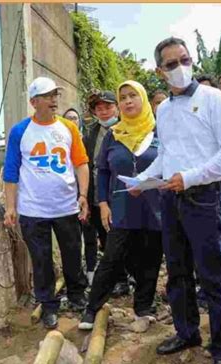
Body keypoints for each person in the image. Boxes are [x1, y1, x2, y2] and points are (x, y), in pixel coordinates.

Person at [132, 37, 221, 364]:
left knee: (213, 276)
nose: (181, 68)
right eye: (171, 64)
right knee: (177, 272)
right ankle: (187, 333)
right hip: (170, 200)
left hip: (203, 197)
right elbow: (167, 157)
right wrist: (142, 180)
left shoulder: (214, 99)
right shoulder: (164, 110)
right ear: (159, 71)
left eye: (184, 60)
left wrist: (189, 177)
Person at [3, 77, 90, 329]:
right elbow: (11, 171)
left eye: (55, 95)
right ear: (33, 102)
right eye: (47, 95)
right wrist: (10, 207)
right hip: (33, 210)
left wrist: (83, 195)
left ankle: (76, 295)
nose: (54, 100)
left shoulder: (68, 128)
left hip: (66, 206)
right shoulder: (20, 131)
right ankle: (49, 305)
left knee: (73, 254)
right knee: (40, 260)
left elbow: (81, 163)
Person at [79, 80, 163, 330]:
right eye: (123, 97)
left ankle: (143, 308)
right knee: (112, 258)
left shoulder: (160, 131)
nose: (128, 101)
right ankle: (92, 309)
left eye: (132, 96)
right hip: (122, 207)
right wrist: (103, 204)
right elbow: (103, 171)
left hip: (155, 206)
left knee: (150, 258)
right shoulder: (114, 135)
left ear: (143, 99)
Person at [82, 90, 131, 294]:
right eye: (99, 109)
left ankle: (129, 276)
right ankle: (119, 279)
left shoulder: (128, 128)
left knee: (125, 238)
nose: (103, 112)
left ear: (117, 108)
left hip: (122, 192)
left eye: (108, 107)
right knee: (105, 237)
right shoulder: (91, 133)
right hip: (97, 194)